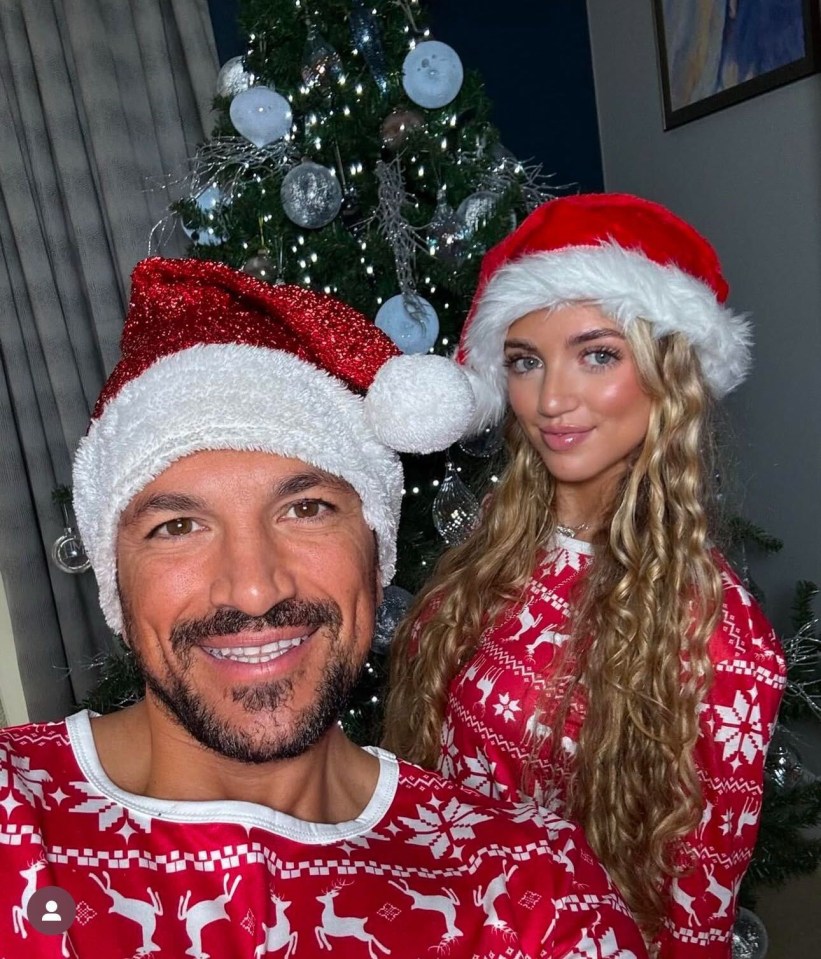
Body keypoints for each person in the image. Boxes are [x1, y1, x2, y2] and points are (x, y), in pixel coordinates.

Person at [0, 257, 647, 958]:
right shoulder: (16, 824)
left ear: (377, 554)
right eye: (177, 527)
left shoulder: (526, 885)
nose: (254, 589)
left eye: (305, 509)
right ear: (115, 580)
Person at [383, 193, 786, 957]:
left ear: (669, 374)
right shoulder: (490, 552)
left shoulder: (720, 638)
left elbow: (693, 921)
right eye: (525, 362)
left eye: (596, 353)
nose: (550, 400)